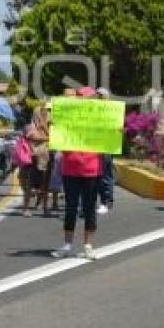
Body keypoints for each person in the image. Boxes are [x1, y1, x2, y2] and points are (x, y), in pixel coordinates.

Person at [52, 87, 102, 260]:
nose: (84, 102)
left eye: (89, 99)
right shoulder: (66, 119)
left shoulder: (100, 120)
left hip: (92, 169)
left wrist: (115, 132)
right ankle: (67, 245)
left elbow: (109, 141)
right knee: (71, 207)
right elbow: (60, 143)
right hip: (71, 169)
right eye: (82, 98)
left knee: (90, 208)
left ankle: (88, 246)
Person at [95, 87, 115, 214]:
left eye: (101, 96)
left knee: (105, 175)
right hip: (96, 146)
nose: (98, 98)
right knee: (98, 175)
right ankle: (103, 200)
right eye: (97, 96)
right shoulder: (95, 111)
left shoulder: (112, 111)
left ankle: (106, 201)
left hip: (107, 146)